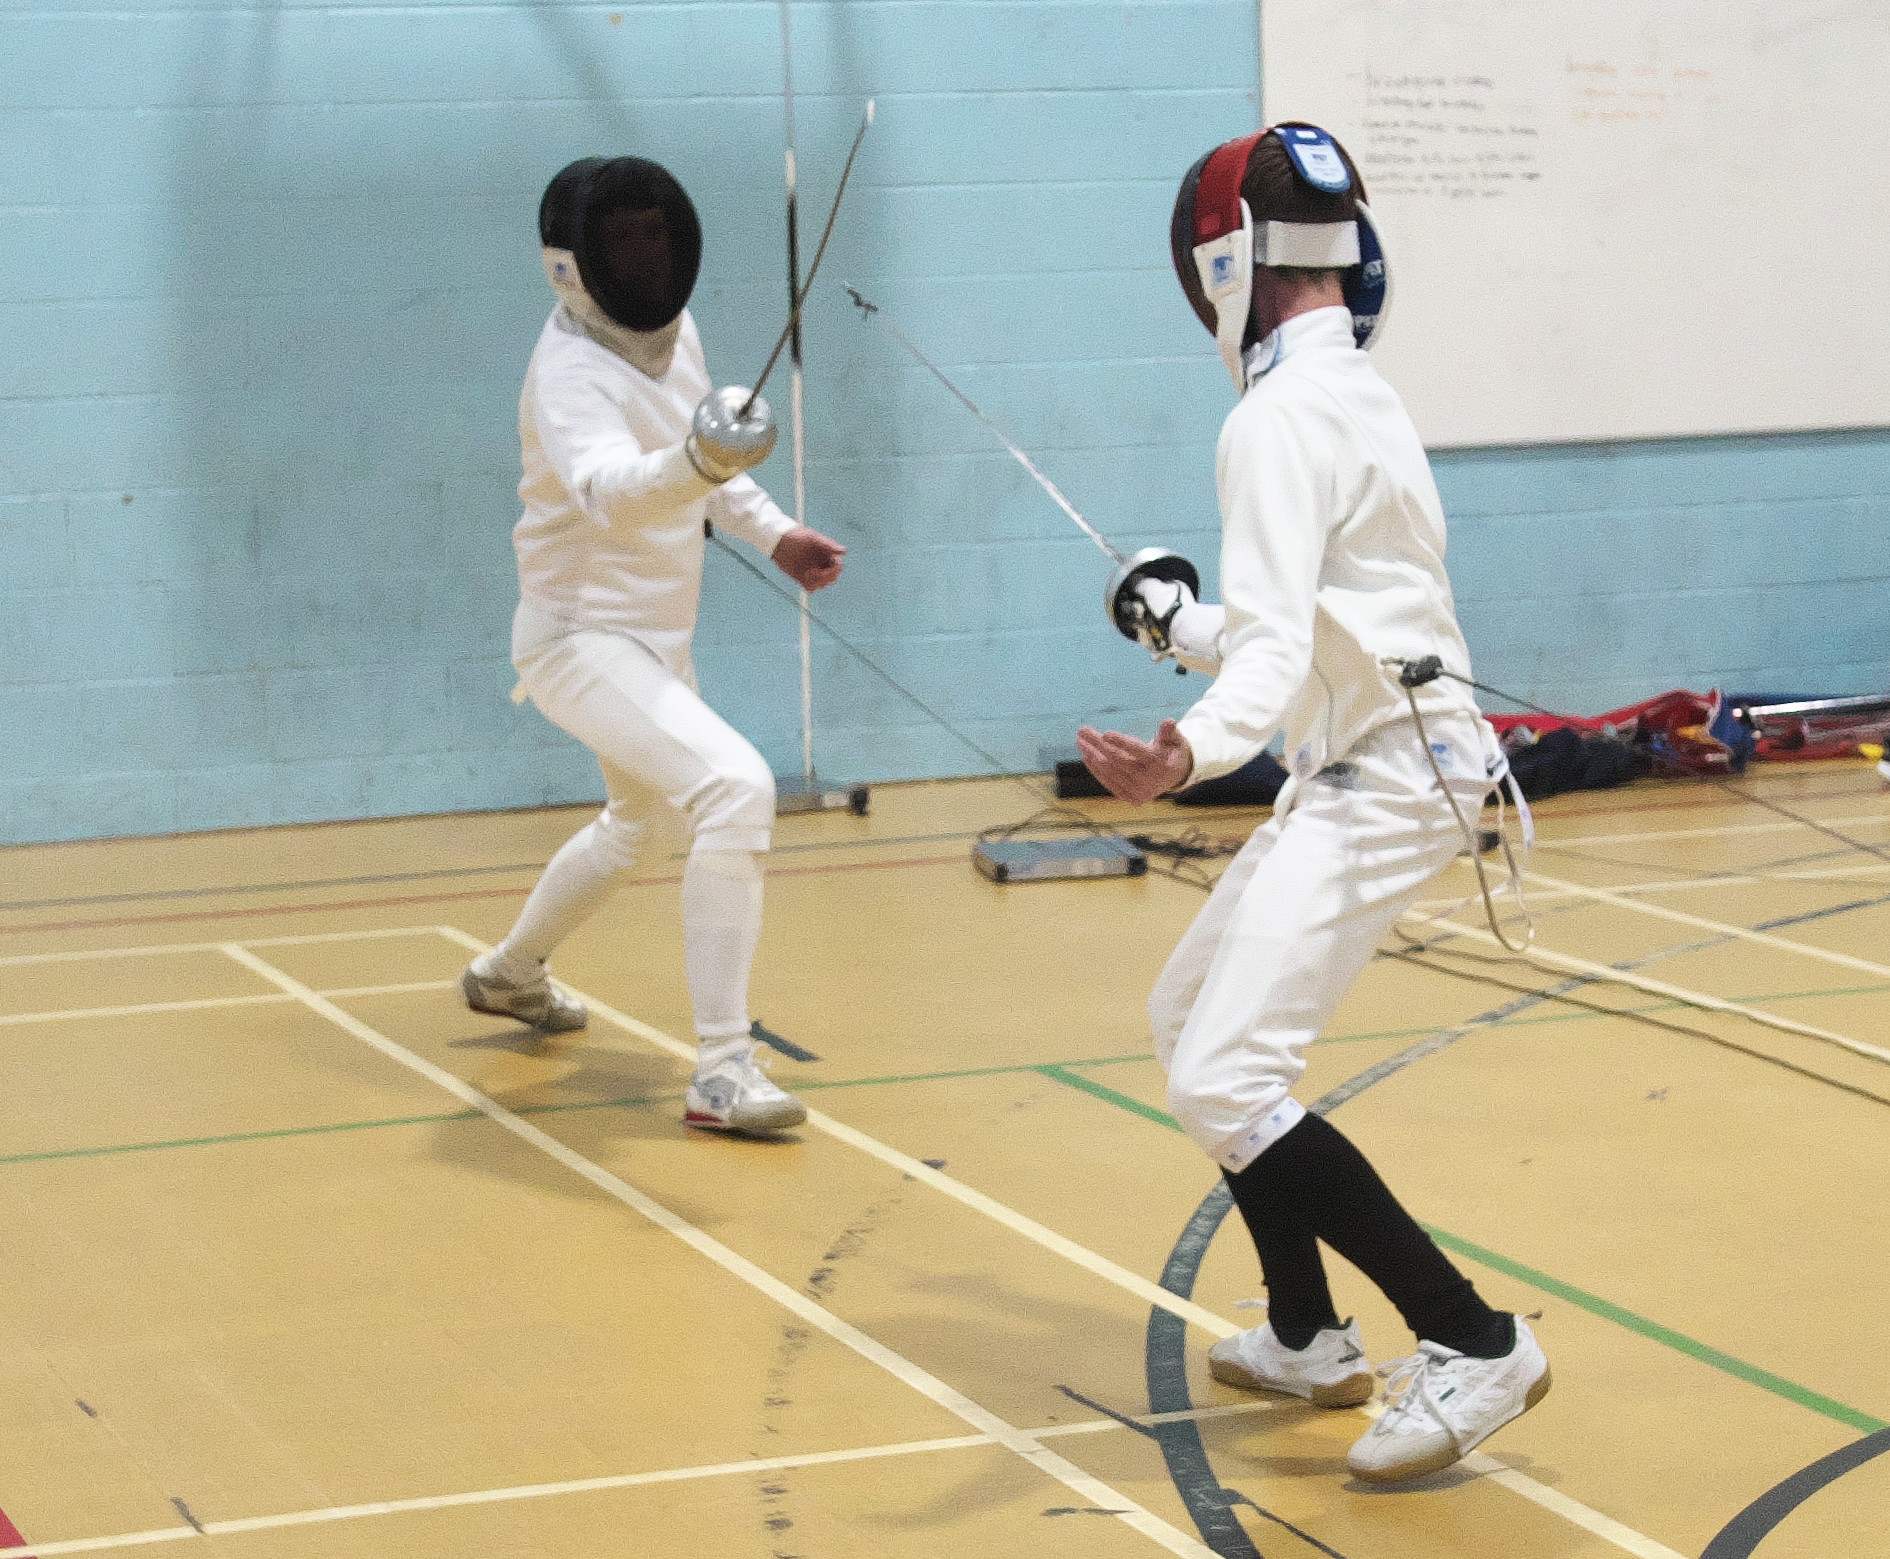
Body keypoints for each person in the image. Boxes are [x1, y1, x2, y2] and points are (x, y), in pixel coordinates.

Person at [1078, 124, 1550, 1484]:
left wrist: (1185, 752)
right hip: (1376, 756)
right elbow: (1314, 618)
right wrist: (1181, 622)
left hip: (1385, 775)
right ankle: (1304, 1332)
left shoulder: (1272, 417)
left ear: (1221, 262)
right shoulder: (1352, 391)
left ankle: (1472, 1337)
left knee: (1224, 1073)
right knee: (1189, 1024)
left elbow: (1280, 652)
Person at [459, 155, 846, 1136]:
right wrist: (699, 459)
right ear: (573, 264)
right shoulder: (570, 372)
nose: (644, 253)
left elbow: (706, 449)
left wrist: (774, 532)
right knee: (735, 787)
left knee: (633, 824)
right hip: (577, 640)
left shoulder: (673, 335)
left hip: (654, 645)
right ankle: (721, 1069)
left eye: (655, 232)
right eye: (622, 237)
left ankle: (508, 973)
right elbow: (613, 490)